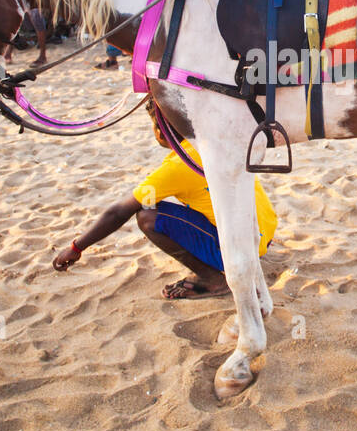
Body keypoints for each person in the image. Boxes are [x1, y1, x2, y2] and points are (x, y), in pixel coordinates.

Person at [52, 102, 278, 300]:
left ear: (161, 129)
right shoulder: (207, 144)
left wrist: (76, 247)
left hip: (244, 251)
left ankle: (212, 280)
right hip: (263, 234)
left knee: (148, 217)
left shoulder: (179, 166)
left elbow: (118, 213)